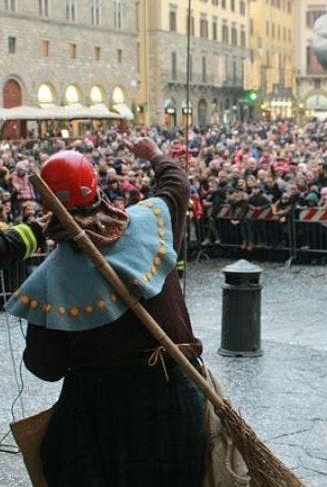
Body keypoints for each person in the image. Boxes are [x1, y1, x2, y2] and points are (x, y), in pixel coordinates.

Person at [4, 139, 206, 487]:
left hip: (105, 420)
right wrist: (155, 154)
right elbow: (176, 185)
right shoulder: (153, 219)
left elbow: (46, 368)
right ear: (97, 187)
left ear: (49, 207)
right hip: (176, 399)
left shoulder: (51, 280)